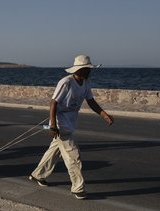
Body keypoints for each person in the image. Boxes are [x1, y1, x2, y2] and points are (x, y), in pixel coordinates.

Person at [29, 55, 114, 200]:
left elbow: (91, 101)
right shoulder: (66, 82)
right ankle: (78, 188)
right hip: (61, 122)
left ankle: (37, 175)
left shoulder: (86, 82)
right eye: (87, 69)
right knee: (73, 156)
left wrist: (104, 114)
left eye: (89, 69)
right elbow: (53, 103)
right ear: (79, 69)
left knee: (54, 151)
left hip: (71, 121)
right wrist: (53, 125)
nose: (89, 71)